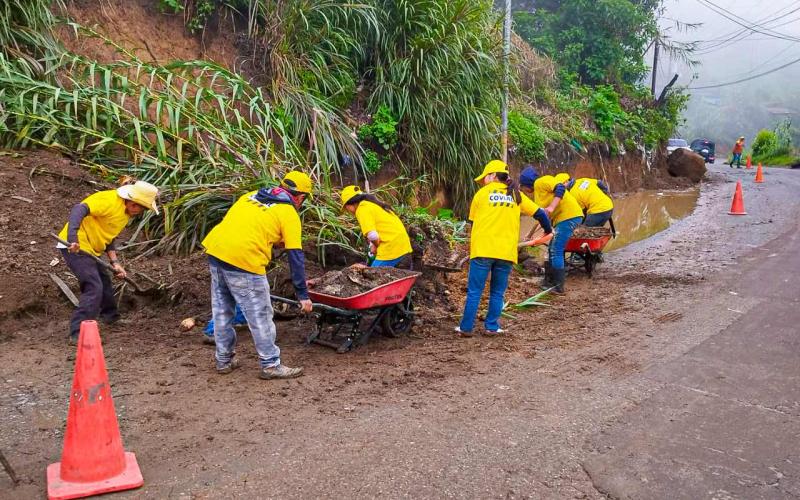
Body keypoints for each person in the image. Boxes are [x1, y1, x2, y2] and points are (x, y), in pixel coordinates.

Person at [201, 172, 314, 380]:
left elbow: (247, 226)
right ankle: (271, 364)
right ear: (300, 197)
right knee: (260, 314)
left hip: (217, 251)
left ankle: (223, 360)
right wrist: (302, 294)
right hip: (244, 260)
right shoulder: (288, 212)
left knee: (222, 309)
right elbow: (295, 256)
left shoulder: (252, 196)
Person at [456, 160, 552, 337]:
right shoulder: (516, 195)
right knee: (497, 292)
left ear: (492, 176)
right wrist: (548, 230)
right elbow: (540, 213)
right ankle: (491, 327)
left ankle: (466, 328)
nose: (484, 181)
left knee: (475, 291)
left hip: (483, 250)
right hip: (506, 252)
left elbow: (473, 222)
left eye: (485, 177)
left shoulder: (482, 194)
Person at [58, 180, 159, 343]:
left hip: (91, 249)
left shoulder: (125, 213)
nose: (141, 212)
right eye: (142, 208)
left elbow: (109, 237)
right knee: (93, 286)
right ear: (134, 203)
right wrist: (72, 239)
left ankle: (110, 316)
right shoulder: (109, 200)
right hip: (75, 246)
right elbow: (79, 208)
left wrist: (115, 262)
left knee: (104, 280)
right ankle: (77, 333)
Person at [519, 166, 584, 294]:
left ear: (527, 184)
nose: (525, 191)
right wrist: (535, 233)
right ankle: (548, 281)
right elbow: (542, 216)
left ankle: (559, 287)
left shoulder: (542, 181)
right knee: (551, 248)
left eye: (523, 188)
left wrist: (552, 207)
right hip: (561, 219)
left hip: (569, 216)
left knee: (556, 249)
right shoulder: (538, 194)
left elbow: (560, 188)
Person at [340, 185, 413, 268]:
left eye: (346, 208)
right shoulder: (373, 204)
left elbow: (372, 235)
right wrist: (374, 245)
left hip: (391, 249)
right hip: (404, 247)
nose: (347, 211)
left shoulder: (362, 209)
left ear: (349, 204)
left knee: (370, 275)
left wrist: (375, 245)